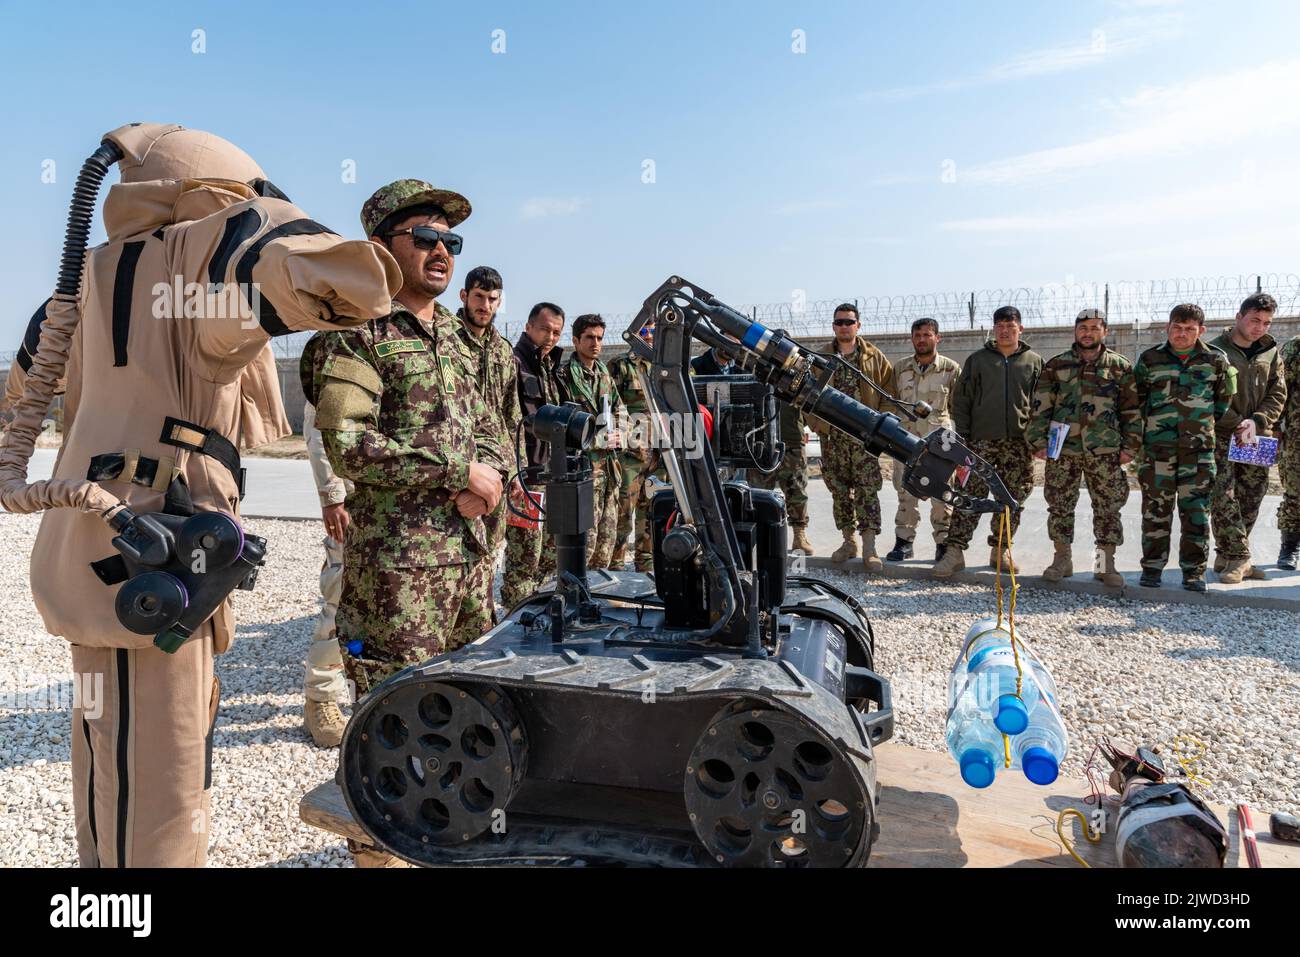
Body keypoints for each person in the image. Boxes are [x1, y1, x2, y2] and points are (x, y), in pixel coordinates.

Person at [0, 123, 402, 867]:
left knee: (116, 768)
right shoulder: (187, 256)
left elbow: (24, 385)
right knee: (157, 786)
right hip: (150, 563)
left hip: (125, 559)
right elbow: (299, 268)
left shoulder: (84, 280)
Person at [304, 179, 508, 695]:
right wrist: (459, 473)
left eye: (450, 243)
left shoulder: (459, 340)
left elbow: (490, 428)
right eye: (423, 237)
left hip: (469, 561)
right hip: (400, 574)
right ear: (381, 248)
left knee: (470, 707)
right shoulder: (356, 334)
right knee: (402, 716)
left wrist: (487, 480)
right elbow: (348, 445)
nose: (441, 251)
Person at [1027, 308, 1140, 587]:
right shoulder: (1056, 366)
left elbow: (1132, 410)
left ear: (1104, 331)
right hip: (1063, 450)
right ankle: (1062, 560)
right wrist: (1037, 441)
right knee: (1060, 506)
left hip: (1105, 451)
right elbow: (1041, 406)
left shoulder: (1119, 366)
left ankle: (1104, 565)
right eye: (1082, 328)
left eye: (1094, 328)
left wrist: (1130, 446)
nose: (1087, 333)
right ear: (1075, 331)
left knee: (1107, 508)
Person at [935, 305, 1043, 579]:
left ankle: (1001, 550)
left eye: (1011, 326)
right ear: (994, 329)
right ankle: (955, 551)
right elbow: (962, 401)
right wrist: (967, 439)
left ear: (1021, 328)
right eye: (1000, 326)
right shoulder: (978, 360)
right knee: (970, 495)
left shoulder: (1033, 361)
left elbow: (1041, 403)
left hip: (1019, 445)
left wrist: (1035, 437)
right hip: (980, 444)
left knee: (1012, 498)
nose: (1005, 331)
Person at [1133, 304, 1235, 592]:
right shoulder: (1150, 359)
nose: (1182, 334)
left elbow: (1222, 402)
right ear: (1168, 328)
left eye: (1189, 329)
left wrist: (1197, 427)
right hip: (1157, 453)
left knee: (1197, 513)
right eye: (1177, 328)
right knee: (1155, 511)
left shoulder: (1216, 360)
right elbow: (1137, 399)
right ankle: (1152, 568)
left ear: (1201, 330)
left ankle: (1193, 572)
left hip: (1199, 453)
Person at [1207, 293, 1287, 583]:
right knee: (1223, 496)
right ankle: (1240, 557)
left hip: (1257, 436)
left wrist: (1257, 421)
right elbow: (1207, 396)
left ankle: (1225, 552)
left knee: (1252, 496)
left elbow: (1278, 392)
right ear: (1239, 317)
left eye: (1266, 322)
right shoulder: (1213, 350)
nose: (1260, 328)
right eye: (1255, 320)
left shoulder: (1271, 351)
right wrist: (1237, 423)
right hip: (1222, 434)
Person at [809, 303, 895, 572]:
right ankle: (849, 542)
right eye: (839, 322)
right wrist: (817, 425)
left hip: (864, 438)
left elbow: (888, 396)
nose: (844, 326)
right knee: (839, 490)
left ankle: (870, 548)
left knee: (868, 490)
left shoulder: (874, 357)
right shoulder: (821, 357)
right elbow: (805, 394)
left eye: (849, 322)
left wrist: (881, 429)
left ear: (858, 325)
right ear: (833, 326)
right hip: (833, 437)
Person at [455, 265, 520, 615]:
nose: (485, 305)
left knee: (489, 550)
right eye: (479, 297)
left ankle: (478, 619)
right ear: (464, 296)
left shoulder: (502, 351)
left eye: (492, 299)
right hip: (460, 463)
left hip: (497, 468)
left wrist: (516, 469)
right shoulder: (445, 339)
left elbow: (513, 415)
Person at [500, 302, 566, 606]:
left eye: (556, 332)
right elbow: (505, 419)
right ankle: (516, 617)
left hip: (552, 474)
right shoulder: (514, 363)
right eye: (544, 329)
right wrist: (514, 469)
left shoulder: (550, 367)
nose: (550, 337)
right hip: (527, 478)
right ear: (528, 327)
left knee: (552, 556)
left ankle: (541, 614)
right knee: (524, 558)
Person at [885, 317, 960, 563]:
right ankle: (904, 542)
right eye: (917, 335)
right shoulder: (900, 369)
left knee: (942, 495)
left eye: (927, 335)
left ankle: (943, 543)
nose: (922, 340)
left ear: (937, 338)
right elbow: (892, 403)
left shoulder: (951, 369)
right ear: (912, 339)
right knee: (907, 493)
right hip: (907, 441)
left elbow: (958, 408)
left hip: (941, 445)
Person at [301, 400, 351, 747]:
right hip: (356, 497)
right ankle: (321, 697)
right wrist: (332, 495)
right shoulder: (343, 346)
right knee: (341, 593)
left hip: (412, 497)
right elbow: (321, 425)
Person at [560, 314, 625, 569]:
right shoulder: (565, 376)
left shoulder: (604, 375)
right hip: (583, 472)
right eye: (589, 337)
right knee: (585, 543)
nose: (595, 343)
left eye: (599, 338)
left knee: (605, 545)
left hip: (609, 471)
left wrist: (621, 433)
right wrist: (600, 439)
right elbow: (564, 424)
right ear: (576, 340)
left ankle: (597, 598)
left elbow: (622, 411)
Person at [749, 328, 813, 554]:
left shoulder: (800, 372)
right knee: (759, 493)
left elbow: (811, 403)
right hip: (761, 441)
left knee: (796, 490)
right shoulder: (755, 369)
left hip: (791, 440)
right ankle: (761, 539)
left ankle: (799, 536)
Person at [608, 319, 662, 571]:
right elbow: (609, 407)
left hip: (661, 455)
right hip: (630, 454)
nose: (649, 335)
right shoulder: (620, 366)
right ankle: (615, 562)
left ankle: (646, 561)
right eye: (644, 331)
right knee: (623, 511)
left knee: (651, 509)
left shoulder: (666, 367)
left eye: (653, 331)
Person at [1278, 333, 1300, 570]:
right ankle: (1290, 548)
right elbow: (1282, 391)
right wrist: (1276, 427)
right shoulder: (1296, 347)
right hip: (1297, 437)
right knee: (1295, 494)